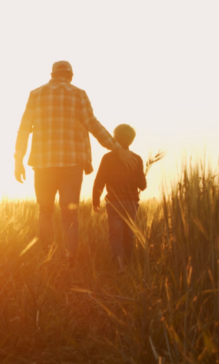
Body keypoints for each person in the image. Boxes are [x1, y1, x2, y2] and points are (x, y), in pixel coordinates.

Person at [14, 61, 136, 261]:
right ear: (71, 76)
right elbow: (92, 124)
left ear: (52, 74)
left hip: (43, 164)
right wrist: (117, 148)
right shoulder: (79, 94)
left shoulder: (35, 94)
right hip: (72, 164)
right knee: (70, 215)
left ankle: (48, 257)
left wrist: (18, 159)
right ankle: (69, 259)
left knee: (45, 211)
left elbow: (24, 128)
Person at [92, 124, 146, 270]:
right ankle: (128, 264)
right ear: (132, 140)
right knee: (129, 235)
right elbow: (142, 186)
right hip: (131, 203)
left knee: (115, 236)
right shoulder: (137, 159)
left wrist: (95, 201)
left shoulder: (108, 158)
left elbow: (99, 181)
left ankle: (119, 266)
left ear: (115, 138)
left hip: (114, 203)